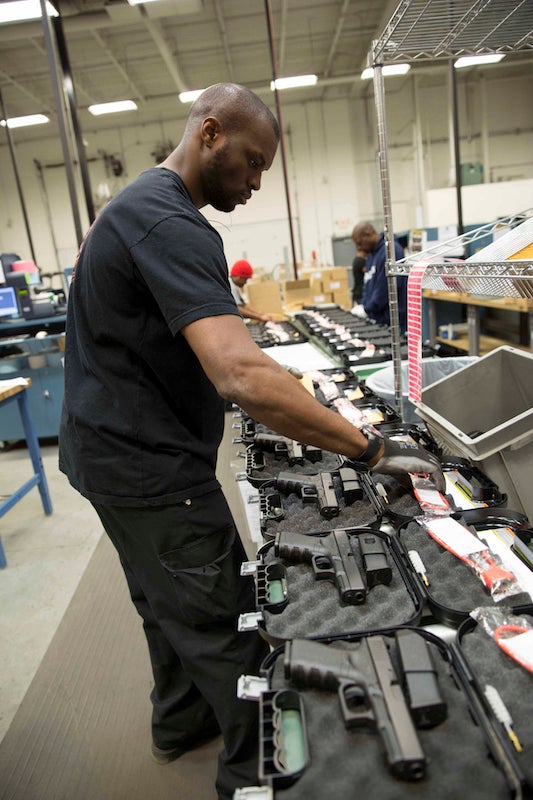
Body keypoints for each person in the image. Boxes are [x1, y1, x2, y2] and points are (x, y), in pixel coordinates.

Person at [59, 82, 444, 800]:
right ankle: (250, 775)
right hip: (150, 467)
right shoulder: (169, 221)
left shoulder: (142, 204)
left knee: (163, 600)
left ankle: (179, 725)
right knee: (222, 622)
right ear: (209, 133)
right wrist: (368, 450)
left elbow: (182, 327)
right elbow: (237, 375)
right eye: (251, 160)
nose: (257, 181)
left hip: (107, 455)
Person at [351, 221, 408, 331]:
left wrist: (367, 309)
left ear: (369, 234)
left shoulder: (391, 251)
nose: (359, 248)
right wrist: (363, 305)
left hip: (392, 322)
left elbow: (386, 288)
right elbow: (367, 284)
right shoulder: (371, 255)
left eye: (360, 243)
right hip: (377, 319)